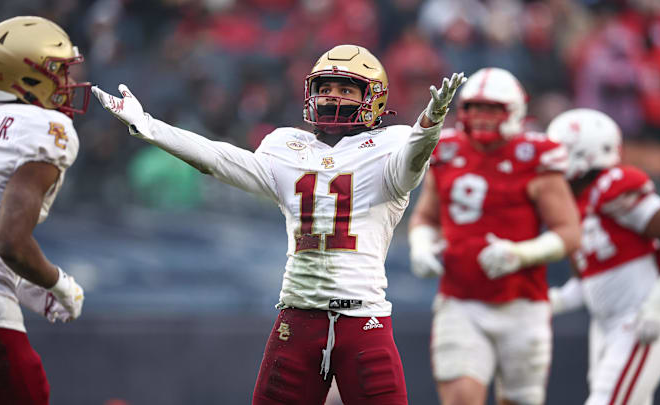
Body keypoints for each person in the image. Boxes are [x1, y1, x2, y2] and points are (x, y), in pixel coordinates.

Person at [92, 44, 466, 405]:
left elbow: (410, 166)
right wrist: (149, 126)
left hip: (363, 320)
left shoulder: (393, 143)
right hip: (298, 318)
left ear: (374, 98)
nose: (332, 96)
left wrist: (428, 126)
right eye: (325, 87)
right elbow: (220, 160)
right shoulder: (286, 146)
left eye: (346, 89)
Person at [407, 67, 582, 405]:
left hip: (523, 304)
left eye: (491, 109)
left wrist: (521, 254)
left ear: (514, 112)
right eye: (474, 108)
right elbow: (426, 217)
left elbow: (569, 233)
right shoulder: (446, 151)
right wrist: (421, 245)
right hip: (460, 301)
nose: (481, 118)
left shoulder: (535, 158)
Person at [0, 16, 87, 404]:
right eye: (57, 71)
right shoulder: (45, 129)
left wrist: (26, 285)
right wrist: (58, 283)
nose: (66, 82)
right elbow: (9, 242)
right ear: (28, 76)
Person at [547, 108, 660, 405]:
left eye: (561, 152)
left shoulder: (613, 187)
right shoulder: (575, 206)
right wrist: (545, 303)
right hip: (604, 327)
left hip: (636, 319)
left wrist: (658, 303)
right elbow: (584, 287)